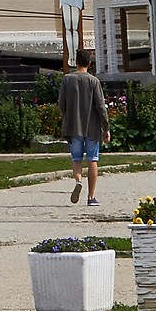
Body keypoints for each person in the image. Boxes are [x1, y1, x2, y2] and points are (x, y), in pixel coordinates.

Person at [58, 47, 111, 206]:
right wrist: (106, 127)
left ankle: (78, 180)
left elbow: (61, 103)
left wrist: (67, 116)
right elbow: (101, 106)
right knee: (92, 160)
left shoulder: (67, 79)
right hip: (92, 127)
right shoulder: (93, 81)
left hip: (74, 126)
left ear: (76, 62)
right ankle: (91, 197)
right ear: (89, 63)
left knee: (76, 158)